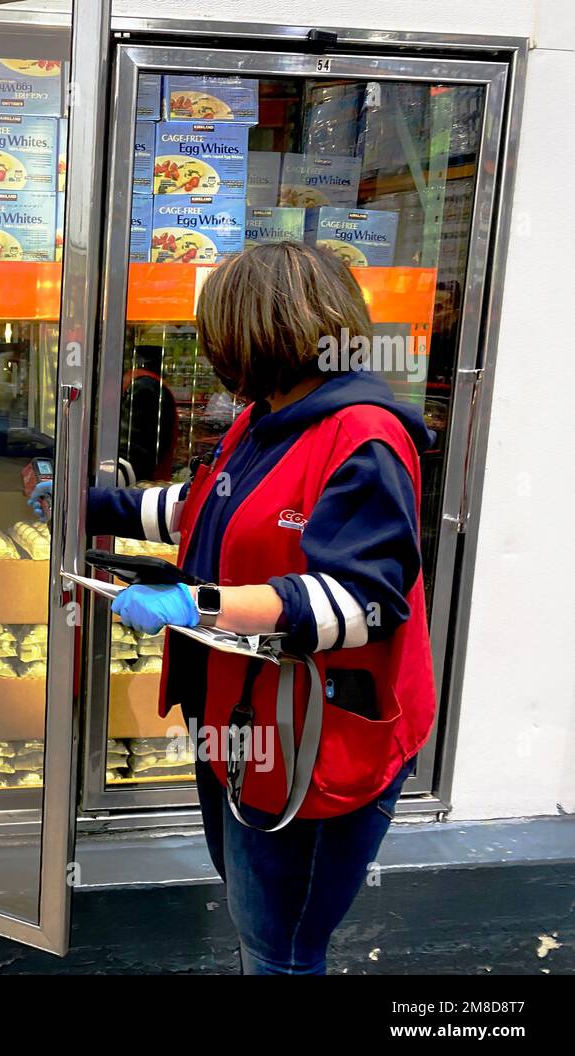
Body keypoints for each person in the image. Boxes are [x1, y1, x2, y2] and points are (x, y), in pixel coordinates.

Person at [33, 242, 436, 975]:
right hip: (241, 725)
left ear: (256, 330)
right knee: (258, 926)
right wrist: (86, 504)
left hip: (312, 742)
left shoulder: (364, 437)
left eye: (217, 330)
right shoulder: (265, 418)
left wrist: (197, 601)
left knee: (279, 947)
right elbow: (206, 509)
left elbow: (364, 601)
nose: (211, 349)